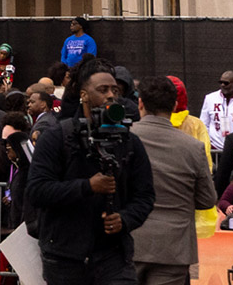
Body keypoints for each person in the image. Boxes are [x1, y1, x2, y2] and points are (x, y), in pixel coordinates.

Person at [21, 68, 153, 285]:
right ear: (83, 94)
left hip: (113, 255)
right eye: (103, 90)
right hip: (65, 257)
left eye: (115, 90)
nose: (111, 95)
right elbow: (37, 191)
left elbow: (145, 195)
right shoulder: (56, 137)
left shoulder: (129, 142)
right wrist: (87, 187)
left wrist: (125, 219)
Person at [128, 81, 212, 285]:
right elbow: (207, 199)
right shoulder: (193, 147)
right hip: (174, 247)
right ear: (175, 106)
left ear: (140, 103)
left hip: (130, 239)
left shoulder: (123, 139)